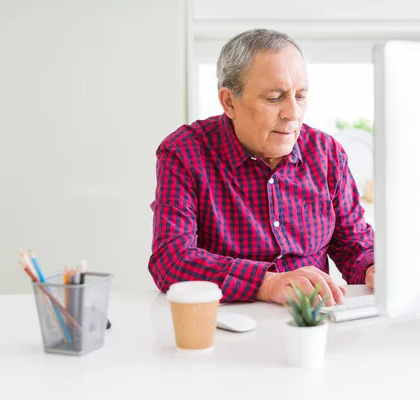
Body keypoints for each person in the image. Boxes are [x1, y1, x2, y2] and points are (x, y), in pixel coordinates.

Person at [148, 28, 374, 306]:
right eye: (274, 98)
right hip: (227, 326)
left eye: (300, 96)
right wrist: (268, 283)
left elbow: (353, 245)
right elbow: (171, 260)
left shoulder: (328, 154)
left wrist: (373, 267)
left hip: (311, 323)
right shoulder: (184, 152)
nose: (293, 113)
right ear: (229, 102)